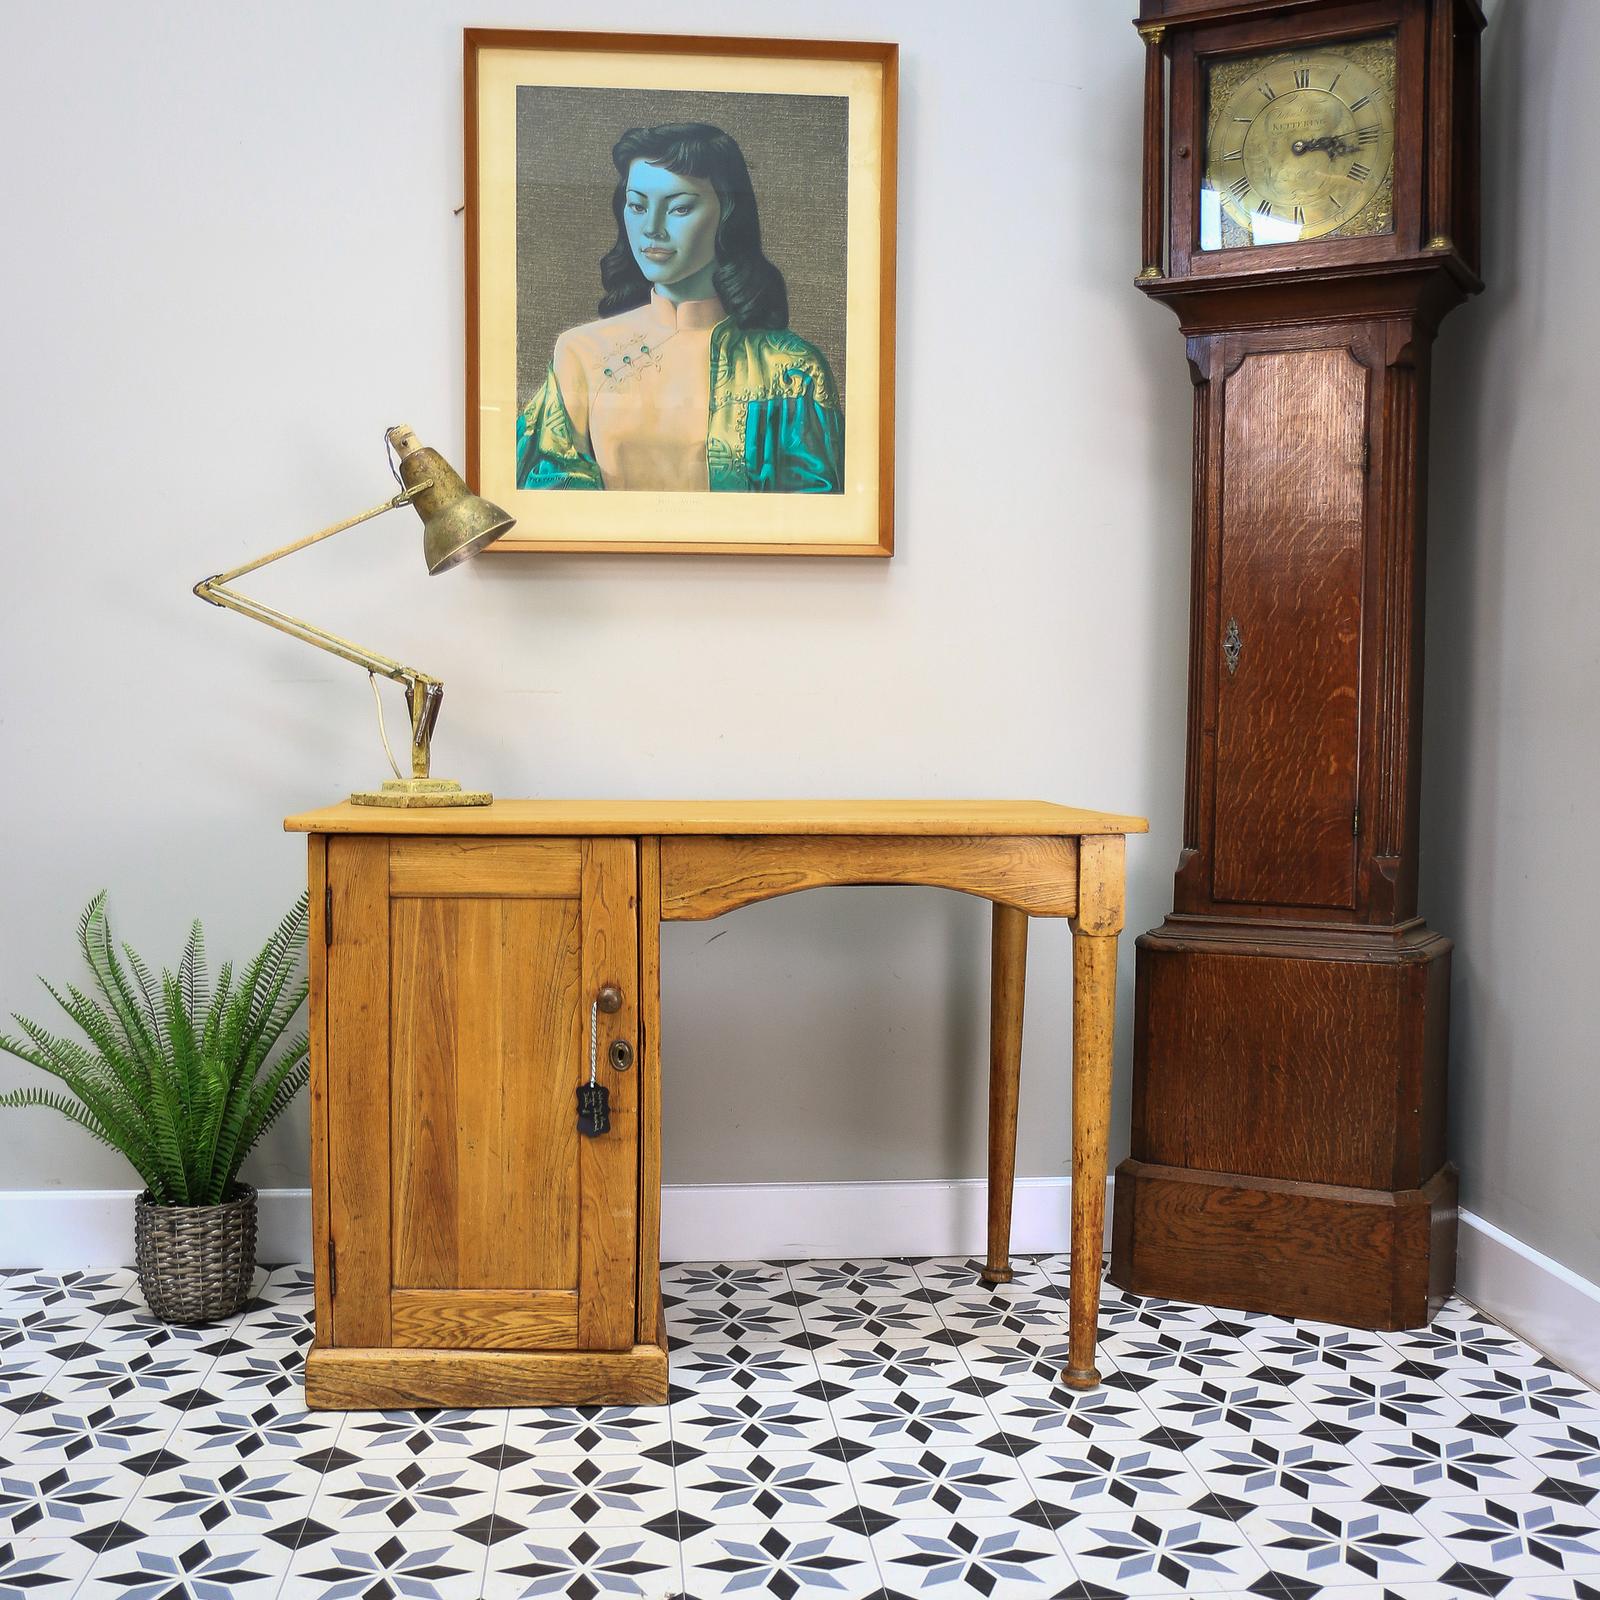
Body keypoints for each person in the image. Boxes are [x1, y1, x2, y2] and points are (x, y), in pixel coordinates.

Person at [517, 122, 844, 494]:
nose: (652, 228)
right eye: (637, 206)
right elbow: (545, 495)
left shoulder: (791, 369)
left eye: (679, 208)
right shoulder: (580, 352)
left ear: (727, 212)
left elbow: (817, 508)